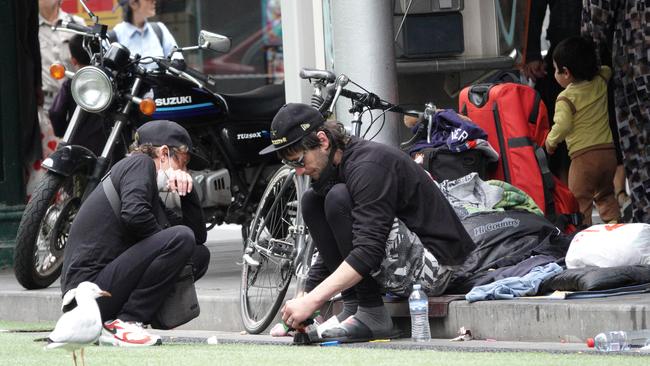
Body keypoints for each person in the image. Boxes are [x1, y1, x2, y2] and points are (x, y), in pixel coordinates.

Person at [259, 103, 475, 342]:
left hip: (438, 266)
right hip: (405, 259)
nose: (299, 172)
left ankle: (372, 313)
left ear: (322, 141)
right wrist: (305, 299)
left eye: (299, 161)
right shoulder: (336, 167)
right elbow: (335, 242)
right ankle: (354, 308)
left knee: (336, 198)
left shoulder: (367, 166)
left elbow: (368, 249)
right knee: (312, 200)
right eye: (291, 165)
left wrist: (314, 300)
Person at [61, 120, 210, 347]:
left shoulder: (147, 189)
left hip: (104, 291)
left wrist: (187, 193)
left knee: (198, 253)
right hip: (86, 295)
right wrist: (165, 243)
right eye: (183, 163)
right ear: (163, 153)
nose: (184, 170)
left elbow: (196, 238)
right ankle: (127, 321)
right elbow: (135, 216)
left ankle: (123, 319)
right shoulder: (140, 164)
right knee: (178, 238)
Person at [544, 36, 620, 226]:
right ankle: (615, 225)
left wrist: (550, 142)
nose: (555, 74)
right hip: (608, 155)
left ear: (566, 73)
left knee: (580, 201)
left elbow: (563, 126)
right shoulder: (600, 82)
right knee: (606, 194)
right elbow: (606, 69)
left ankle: (583, 234)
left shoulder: (565, 98)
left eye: (556, 69)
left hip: (583, 159)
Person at [521, 0, 582, 185]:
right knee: (558, 118)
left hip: (592, 46)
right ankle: (564, 188)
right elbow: (535, 7)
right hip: (564, 46)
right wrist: (531, 54)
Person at [49, 34, 106, 157]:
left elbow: (56, 112)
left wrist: (61, 131)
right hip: (106, 146)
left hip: (76, 144)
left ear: (73, 60)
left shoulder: (71, 83)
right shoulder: (110, 84)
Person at [112, 0, 182, 66]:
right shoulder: (115, 36)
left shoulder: (159, 29)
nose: (154, 1)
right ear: (133, 3)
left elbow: (178, 60)